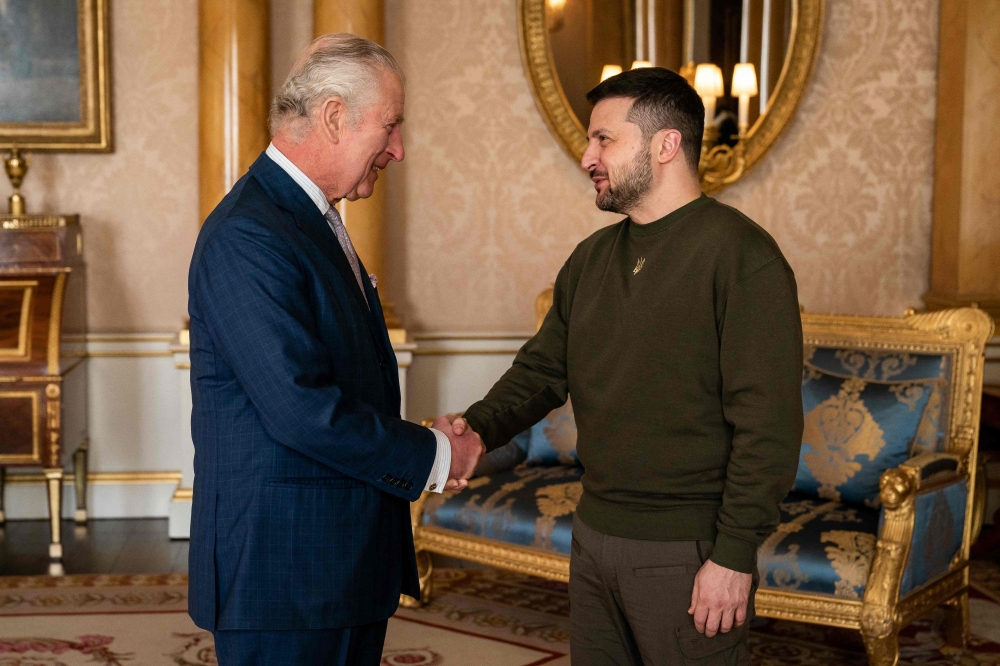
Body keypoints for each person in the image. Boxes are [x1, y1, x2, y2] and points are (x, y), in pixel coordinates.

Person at [442, 67, 803, 665]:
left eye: (604, 139)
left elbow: (768, 427)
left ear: (666, 145)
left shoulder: (743, 257)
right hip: (593, 537)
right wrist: (475, 430)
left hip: (689, 550)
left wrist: (734, 555)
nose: (587, 157)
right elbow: (540, 372)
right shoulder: (591, 258)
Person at [186, 34, 484, 666]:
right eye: (391, 126)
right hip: (283, 576)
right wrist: (432, 452)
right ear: (332, 116)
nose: (398, 149)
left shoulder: (308, 218)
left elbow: (348, 380)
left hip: (335, 567)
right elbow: (301, 409)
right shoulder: (249, 234)